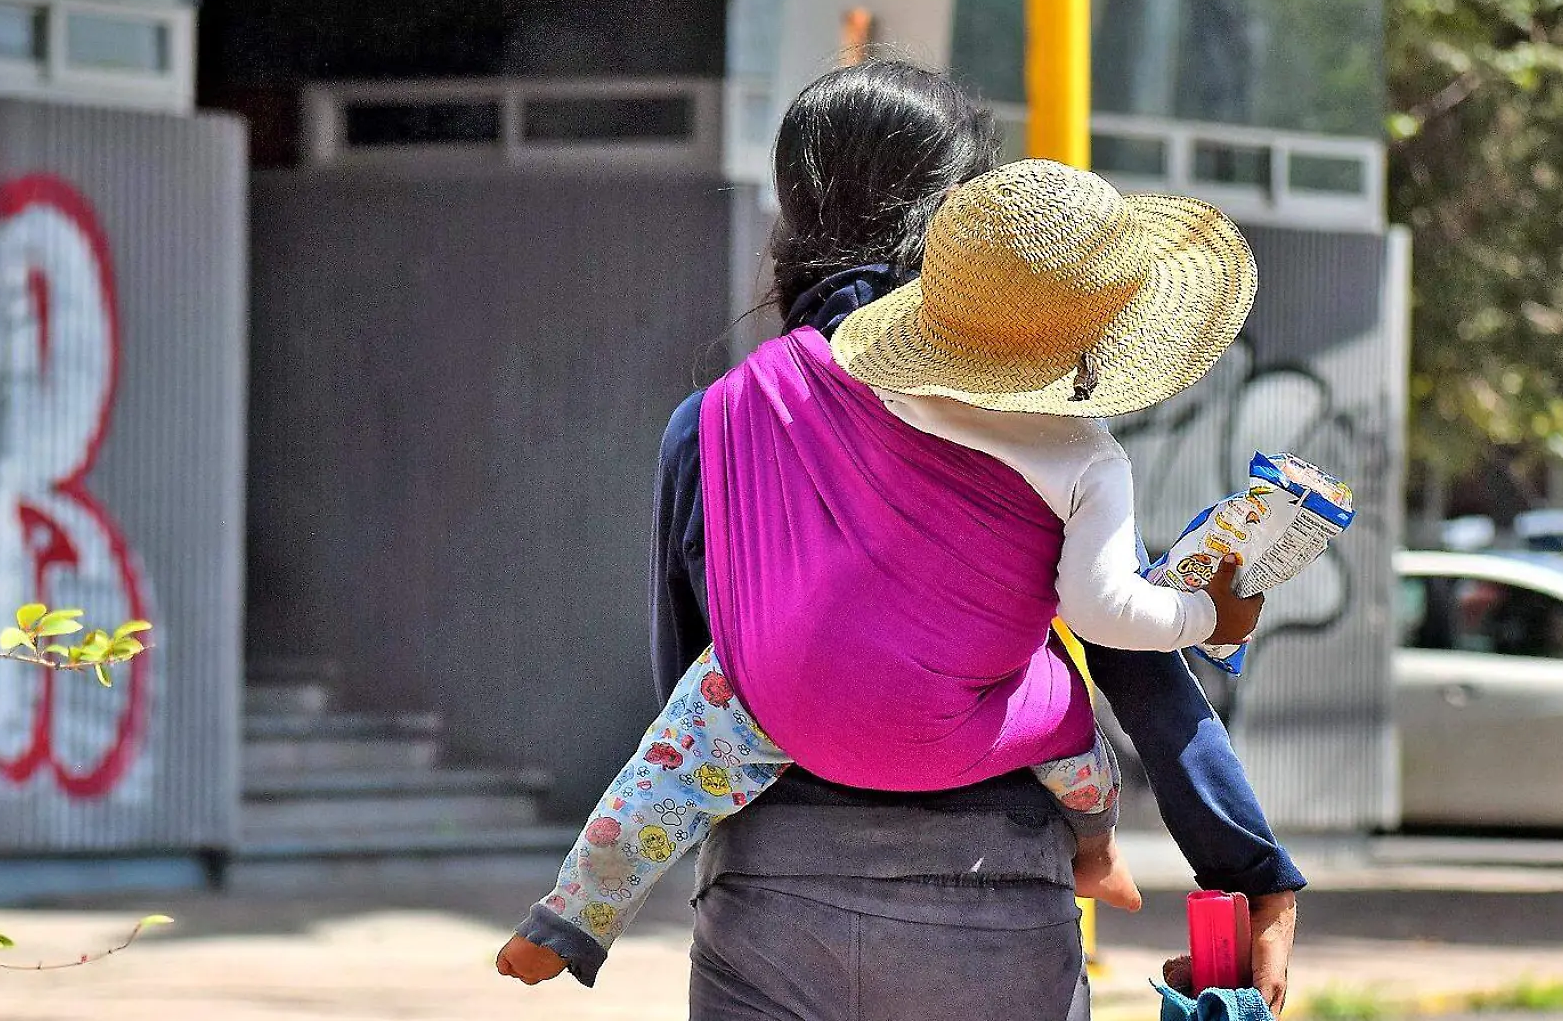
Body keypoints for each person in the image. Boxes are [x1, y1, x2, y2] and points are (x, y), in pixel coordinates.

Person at [499, 60, 1303, 1021]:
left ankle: (569, 923)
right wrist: (1245, 865)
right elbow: (1133, 660)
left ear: (790, 210)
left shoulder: (711, 424)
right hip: (992, 893)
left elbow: (699, 677)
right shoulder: (1054, 437)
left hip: (771, 898)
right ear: (961, 222)